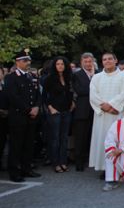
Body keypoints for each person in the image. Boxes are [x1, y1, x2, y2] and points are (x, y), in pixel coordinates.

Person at [89, 52, 124, 172]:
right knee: (102, 139)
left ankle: (116, 168)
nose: (107, 61)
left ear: (115, 60)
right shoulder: (96, 77)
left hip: (116, 115)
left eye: (109, 59)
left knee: (116, 139)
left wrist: (112, 106)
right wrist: (104, 107)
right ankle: (103, 167)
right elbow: (93, 95)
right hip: (101, 115)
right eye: (104, 59)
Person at [4, 49, 42, 182]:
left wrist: (36, 107)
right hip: (19, 116)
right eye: (25, 60)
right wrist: (28, 109)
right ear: (17, 62)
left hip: (32, 116)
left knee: (29, 144)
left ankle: (27, 168)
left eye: (29, 60)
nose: (28, 63)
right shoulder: (11, 77)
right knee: (16, 145)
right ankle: (14, 171)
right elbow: (13, 97)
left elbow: (37, 94)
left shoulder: (32, 76)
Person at [44, 56, 74, 173]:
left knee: (64, 138)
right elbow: (44, 96)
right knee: (55, 138)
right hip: (55, 111)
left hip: (67, 111)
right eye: (58, 64)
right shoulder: (49, 79)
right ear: (54, 66)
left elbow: (70, 92)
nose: (60, 66)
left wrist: (72, 102)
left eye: (62, 64)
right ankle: (55, 163)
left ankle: (63, 162)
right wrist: (50, 107)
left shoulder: (68, 78)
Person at [72, 53, 96, 171]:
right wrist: (94, 87)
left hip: (96, 111)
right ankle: (79, 162)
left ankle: (90, 160)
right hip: (82, 110)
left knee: (93, 137)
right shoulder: (77, 75)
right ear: (81, 63)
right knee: (80, 137)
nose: (88, 64)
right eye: (85, 62)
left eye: (89, 62)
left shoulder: (99, 74)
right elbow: (79, 90)